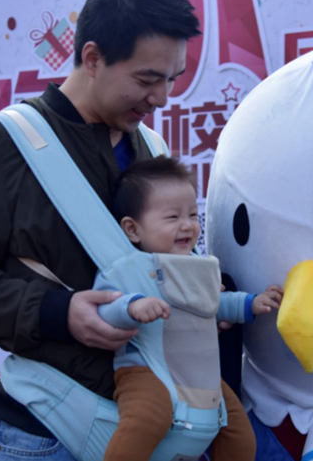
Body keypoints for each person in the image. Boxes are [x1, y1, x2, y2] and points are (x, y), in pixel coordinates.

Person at [0, 0, 201, 459]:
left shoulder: (151, 148)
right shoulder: (0, 143)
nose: (162, 98)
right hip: (41, 434)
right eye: (146, 79)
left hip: (151, 430)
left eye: (172, 79)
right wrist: (57, 312)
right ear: (93, 58)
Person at [93, 156, 283, 461]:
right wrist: (131, 306)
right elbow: (103, 308)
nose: (187, 225)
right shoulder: (127, 268)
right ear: (132, 229)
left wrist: (250, 303)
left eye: (193, 214)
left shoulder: (198, 265)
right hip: (147, 371)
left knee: (238, 430)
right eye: (172, 217)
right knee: (146, 418)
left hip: (200, 374)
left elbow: (214, 305)